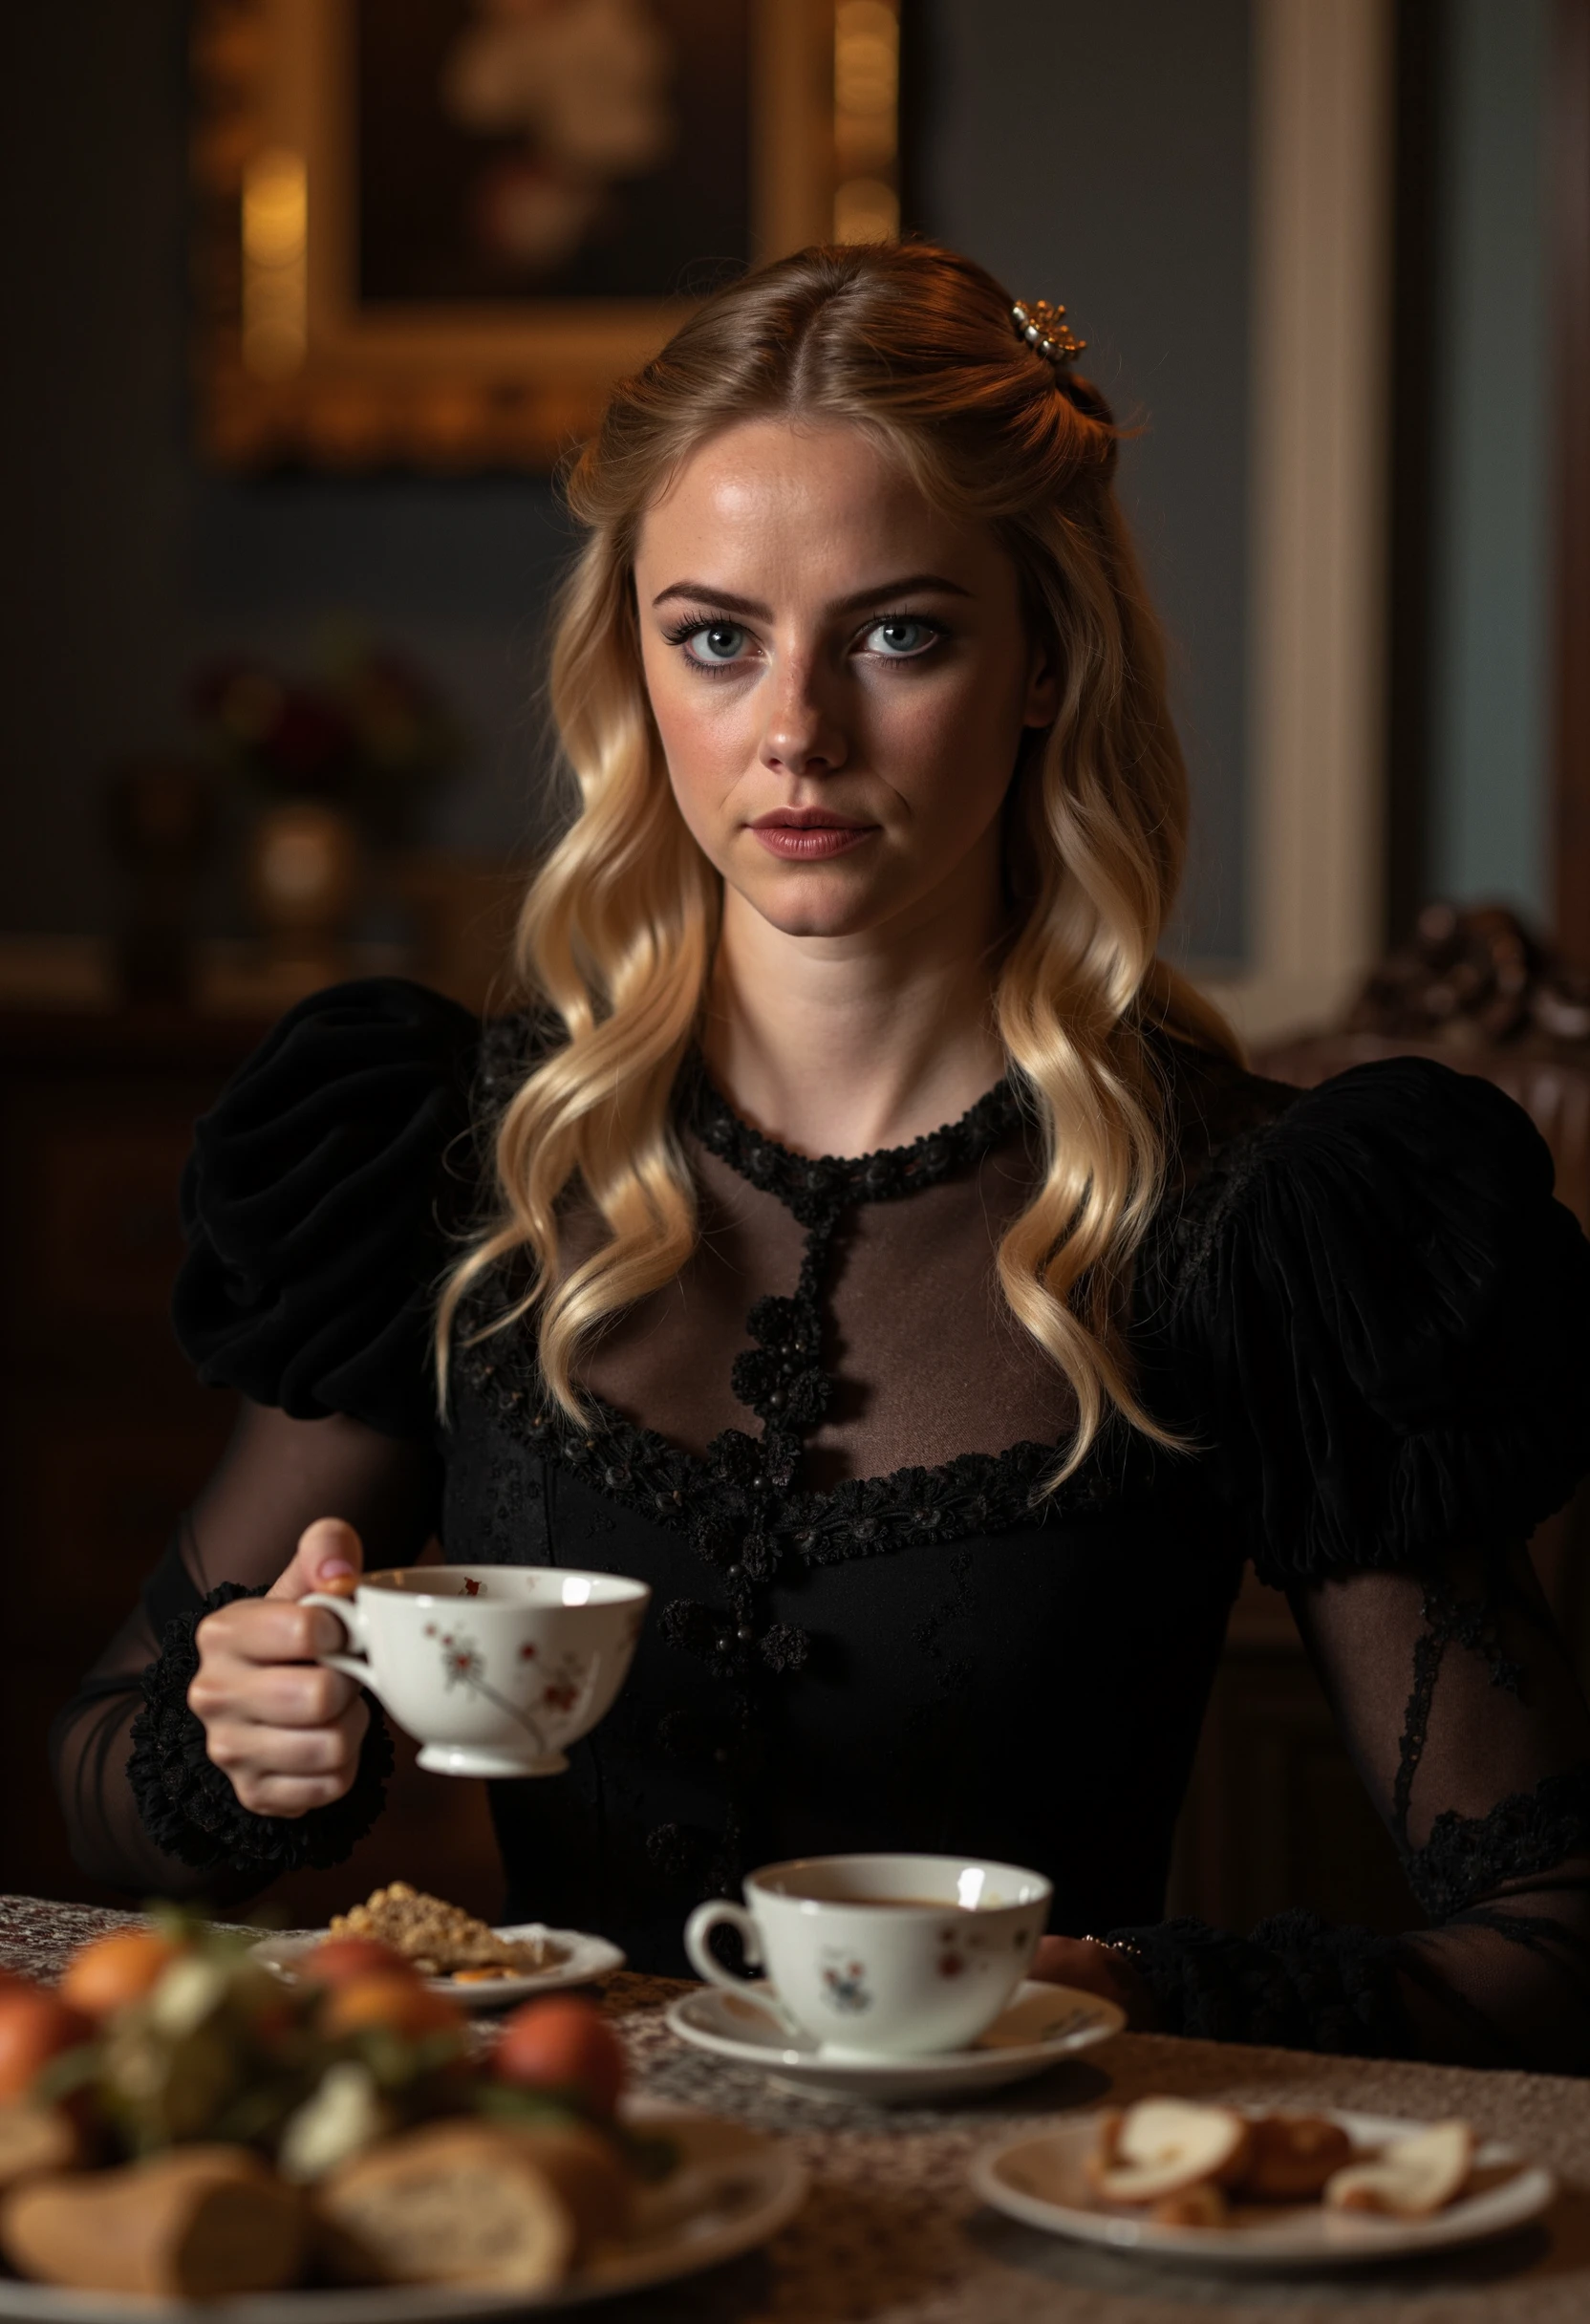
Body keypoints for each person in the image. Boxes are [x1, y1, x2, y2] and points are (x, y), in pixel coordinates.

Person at [54, 242, 1590, 2070]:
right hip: (570, 2203)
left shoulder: (1254, 1220)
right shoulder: (454, 1161)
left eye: (899, 634)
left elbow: (1557, 1937)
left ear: (1044, 663)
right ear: (635, 665)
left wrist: (1123, 1991)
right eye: (716, 637)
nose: (794, 732)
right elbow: (101, 1792)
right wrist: (242, 1742)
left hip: (1021, 2220)